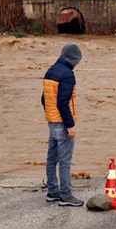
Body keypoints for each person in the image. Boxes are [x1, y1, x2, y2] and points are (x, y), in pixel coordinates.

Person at [41, 43, 84, 207]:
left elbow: (44, 99)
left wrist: (51, 116)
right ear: (72, 59)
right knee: (65, 161)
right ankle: (66, 195)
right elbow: (63, 103)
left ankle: (53, 192)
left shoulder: (50, 71)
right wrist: (70, 125)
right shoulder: (67, 75)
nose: (78, 63)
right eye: (77, 61)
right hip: (62, 123)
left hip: (52, 122)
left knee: (52, 158)